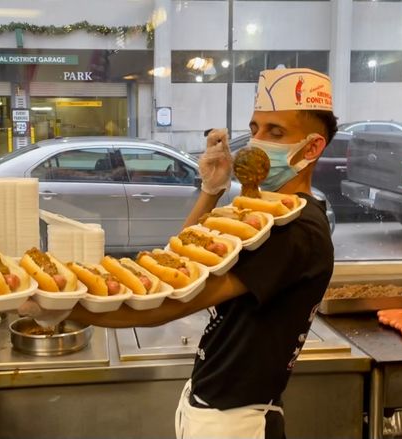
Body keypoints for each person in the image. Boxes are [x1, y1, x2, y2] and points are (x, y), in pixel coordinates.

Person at [21, 68, 337, 439]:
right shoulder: (264, 209)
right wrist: (211, 190)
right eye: (254, 129)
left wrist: (63, 307)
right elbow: (185, 262)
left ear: (313, 147)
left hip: (236, 421)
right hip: (211, 403)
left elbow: (169, 303)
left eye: (276, 132)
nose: (257, 142)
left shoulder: (295, 228)